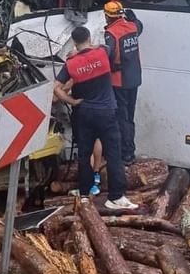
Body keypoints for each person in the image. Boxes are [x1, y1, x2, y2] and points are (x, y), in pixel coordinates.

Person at [53, 25, 137, 210]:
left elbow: (57, 88)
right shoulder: (102, 53)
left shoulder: (71, 64)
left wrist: (72, 101)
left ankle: (84, 194)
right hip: (107, 112)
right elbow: (104, 47)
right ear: (89, 38)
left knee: (84, 155)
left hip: (84, 114)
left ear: (74, 42)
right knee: (114, 154)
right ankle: (115, 197)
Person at [103, 0, 143, 165]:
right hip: (134, 78)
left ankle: (127, 153)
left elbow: (109, 56)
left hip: (119, 81)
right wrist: (134, 17)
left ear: (107, 16)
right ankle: (129, 150)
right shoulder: (132, 27)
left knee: (122, 118)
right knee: (130, 116)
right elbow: (140, 26)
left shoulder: (111, 33)